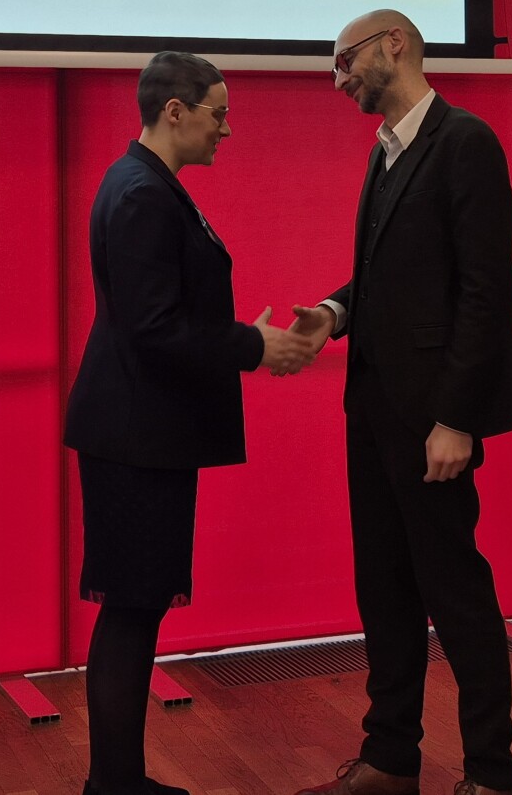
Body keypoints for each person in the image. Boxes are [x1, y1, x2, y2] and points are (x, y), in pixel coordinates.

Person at [288, 11, 512, 795]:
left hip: (433, 420)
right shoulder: (386, 151)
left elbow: (484, 292)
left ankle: (491, 773)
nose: (338, 78)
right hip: (375, 414)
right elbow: (389, 276)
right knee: (385, 592)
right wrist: (334, 311)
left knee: (456, 594)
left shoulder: (466, 142)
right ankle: (391, 759)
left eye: (344, 60)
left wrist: (456, 418)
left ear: (394, 43)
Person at [64, 51, 316, 795]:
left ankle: (119, 780)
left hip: (140, 431)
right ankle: (114, 785)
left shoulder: (141, 181)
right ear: (175, 111)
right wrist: (253, 345)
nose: (227, 130)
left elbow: (158, 317)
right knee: (131, 610)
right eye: (219, 113)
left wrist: (243, 339)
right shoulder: (143, 192)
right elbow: (154, 327)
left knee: (136, 608)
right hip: (135, 436)